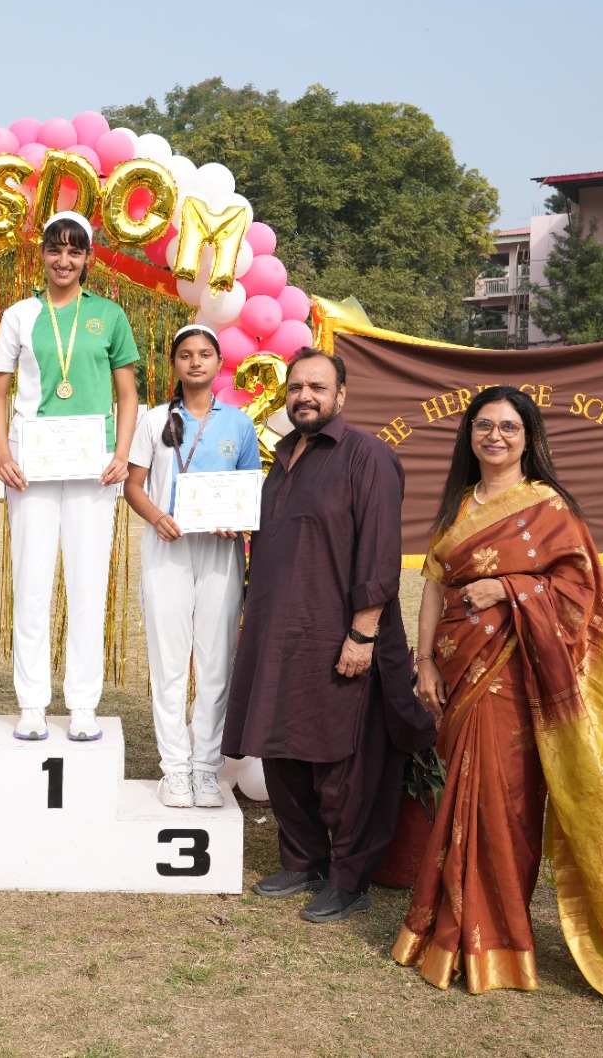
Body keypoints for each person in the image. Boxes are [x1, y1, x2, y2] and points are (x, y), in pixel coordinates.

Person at [393, 386, 603, 1001]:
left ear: (528, 436)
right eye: (484, 426)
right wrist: (425, 660)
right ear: (469, 435)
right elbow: (433, 586)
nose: (495, 437)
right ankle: (439, 932)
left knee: (505, 807)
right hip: (457, 673)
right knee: (460, 798)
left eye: (509, 427)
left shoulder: (549, 507)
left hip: (513, 679)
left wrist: (509, 588)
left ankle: (501, 945)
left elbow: (578, 594)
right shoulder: (458, 504)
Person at [222, 348, 434, 923]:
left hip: (340, 634)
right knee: (283, 748)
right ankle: (305, 859)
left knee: (346, 760)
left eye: (317, 387)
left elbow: (380, 552)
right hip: (277, 632)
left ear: (341, 396)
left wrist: (363, 634)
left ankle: (350, 877)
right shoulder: (283, 457)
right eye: (295, 388)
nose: (304, 397)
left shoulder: (368, 457)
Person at [0, 210, 140, 742]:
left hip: (93, 471)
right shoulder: (20, 314)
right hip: (32, 469)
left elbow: (127, 394)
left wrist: (121, 454)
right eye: (56, 250)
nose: (64, 260)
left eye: (75, 251)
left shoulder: (110, 316)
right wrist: (3, 454)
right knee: (31, 586)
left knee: (87, 586)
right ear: (43, 254)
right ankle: (32, 703)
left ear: (88, 259)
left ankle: (82, 704)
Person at [124, 324, 260, 807]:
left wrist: (236, 520)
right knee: (169, 664)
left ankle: (207, 767)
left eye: (205, 354)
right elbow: (133, 486)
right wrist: (158, 517)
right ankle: (175, 769)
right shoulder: (155, 419)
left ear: (219, 363)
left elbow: (249, 492)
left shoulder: (239, 424)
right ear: (174, 364)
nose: (196, 362)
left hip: (220, 552)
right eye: (186, 355)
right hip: (168, 549)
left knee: (216, 662)